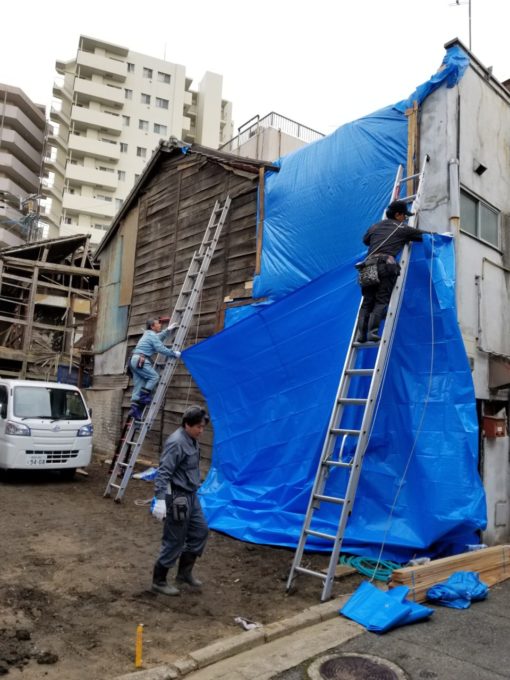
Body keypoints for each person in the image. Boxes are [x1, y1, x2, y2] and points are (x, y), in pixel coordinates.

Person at [151, 405, 210, 596]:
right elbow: (163, 473)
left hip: (191, 495)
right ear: (187, 424)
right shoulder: (176, 443)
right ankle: (159, 581)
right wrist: (160, 499)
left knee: (200, 531)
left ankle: (184, 574)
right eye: (198, 427)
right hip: (178, 497)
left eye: (203, 427)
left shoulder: (192, 440)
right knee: (175, 539)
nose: (202, 431)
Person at [356, 200, 429, 343]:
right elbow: (425, 236)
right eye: (404, 216)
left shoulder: (374, 226)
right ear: (398, 214)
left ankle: (361, 335)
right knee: (381, 299)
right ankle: (372, 333)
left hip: (368, 266)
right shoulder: (402, 229)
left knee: (367, 301)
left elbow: (366, 241)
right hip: (386, 266)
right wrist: (445, 235)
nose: (405, 219)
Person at [129, 318, 181, 419]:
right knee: (154, 377)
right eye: (158, 324)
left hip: (134, 360)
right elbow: (160, 348)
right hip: (141, 359)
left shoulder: (149, 334)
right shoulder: (151, 335)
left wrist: (167, 330)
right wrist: (173, 353)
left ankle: (135, 409)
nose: (160, 325)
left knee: (139, 384)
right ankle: (144, 398)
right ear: (152, 326)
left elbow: (158, 337)